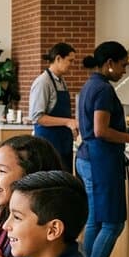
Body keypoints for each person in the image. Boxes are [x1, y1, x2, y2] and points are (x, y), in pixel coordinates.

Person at [76, 42, 129, 257]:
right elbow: (101, 130)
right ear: (109, 64)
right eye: (123, 66)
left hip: (88, 157)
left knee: (95, 220)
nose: (124, 71)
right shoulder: (104, 90)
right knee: (112, 223)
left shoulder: (90, 86)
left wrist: (128, 128)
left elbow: (98, 124)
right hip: (102, 160)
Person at [29, 43, 78, 171]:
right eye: (70, 60)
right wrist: (67, 122)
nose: (72, 65)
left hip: (63, 145)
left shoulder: (61, 81)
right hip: (48, 147)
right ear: (58, 59)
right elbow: (37, 117)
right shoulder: (43, 82)